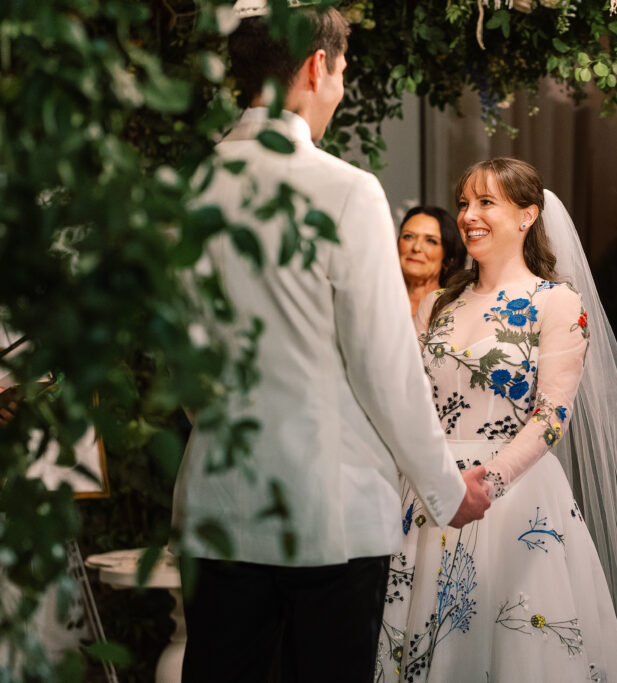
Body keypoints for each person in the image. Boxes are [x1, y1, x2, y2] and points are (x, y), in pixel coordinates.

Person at [171, 6, 490, 683]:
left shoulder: (187, 190)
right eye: (343, 72)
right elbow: (384, 365)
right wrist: (441, 484)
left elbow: (182, 366)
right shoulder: (345, 191)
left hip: (219, 507)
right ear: (318, 65)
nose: (341, 92)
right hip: (329, 516)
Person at [376, 158, 617, 682]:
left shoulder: (556, 303)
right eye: (464, 203)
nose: (469, 215)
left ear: (528, 215)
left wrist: (487, 484)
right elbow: (409, 402)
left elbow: (552, 417)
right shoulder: (436, 305)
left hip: (512, 498)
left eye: (486, 202)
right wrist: (433, 480)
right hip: (432, 493)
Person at [398, 206, 467, 316]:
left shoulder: (457, 310)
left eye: (431, 241)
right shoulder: (376, 300)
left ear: (449, 258)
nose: (416, 247)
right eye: (408, 236)